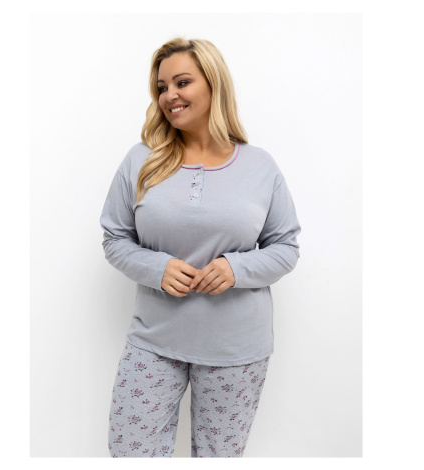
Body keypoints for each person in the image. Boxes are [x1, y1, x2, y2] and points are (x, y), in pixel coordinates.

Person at [100, 37, 302, 458]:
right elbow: (115, 238)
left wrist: (236, 269)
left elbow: (285, 247)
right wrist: (156, 268)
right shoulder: (141, 160)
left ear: (214, 83)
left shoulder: (260, 166)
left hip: (235, 349)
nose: (169, 95)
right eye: (161, 87)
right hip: (153, 340)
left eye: (182, 82)